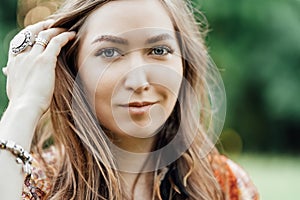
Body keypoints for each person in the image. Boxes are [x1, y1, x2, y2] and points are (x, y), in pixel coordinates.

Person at [0, 0, 259, 199]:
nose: (139, 81)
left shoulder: (225, 185)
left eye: (159, 50)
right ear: (72, 66)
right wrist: (24, 105)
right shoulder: (31, 183)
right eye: (110, 52)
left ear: (183, 63)